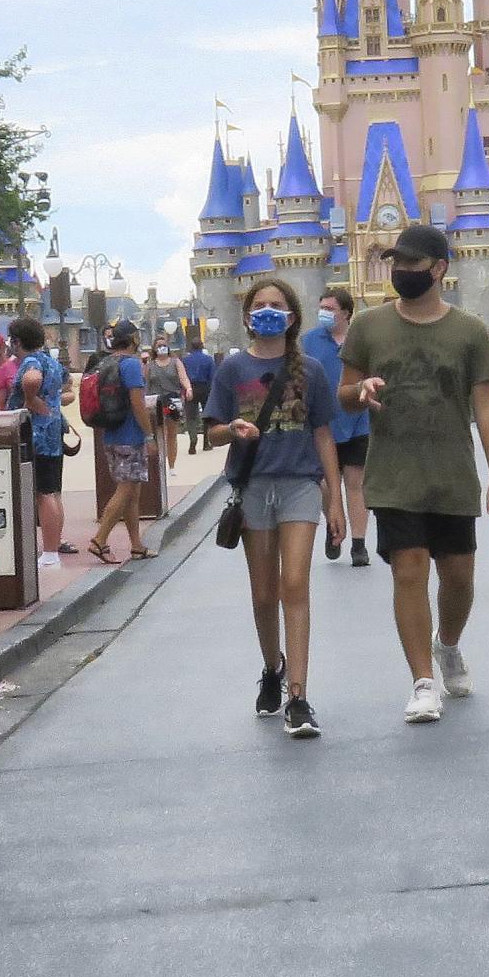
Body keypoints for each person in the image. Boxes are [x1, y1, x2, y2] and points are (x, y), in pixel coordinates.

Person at [336, 225, 489, 724]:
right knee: (408, 569)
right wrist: (361, 389)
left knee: (458, 580)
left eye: (412, 265)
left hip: (452, 474)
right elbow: (343, 393)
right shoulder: (369, 327)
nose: (401, 273)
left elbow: (487, 405)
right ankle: (422, 681)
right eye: (397, 264)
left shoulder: (469, 331)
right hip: (394, 474)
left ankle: (448, 644)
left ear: (439, 269)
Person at [204, 279, 345, 739]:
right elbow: (212, 432)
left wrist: (335, 499)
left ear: (291, 316)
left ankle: (299, 698)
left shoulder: (311, 371)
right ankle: (272, 667)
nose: (268, 311)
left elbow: (324, 433)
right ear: (247, 316)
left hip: (300, 484)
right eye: (260, 305)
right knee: (264, 592)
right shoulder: (231, 369)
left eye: (277, 305)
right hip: (253, 486)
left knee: (294, 584)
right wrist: (234, 429)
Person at [308, 287, 371, 566]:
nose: (325, 313)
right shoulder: (309, 341)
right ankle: (334, 525)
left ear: (346, 312)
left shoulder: (361, 341)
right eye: (322, 307)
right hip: (323, 425)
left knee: (355, 485)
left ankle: (359, 544)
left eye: (330, 308)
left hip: (358, 421)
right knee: (325, 486)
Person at [87, 322, 156, 564]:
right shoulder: (130, 364)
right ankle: (100, 539)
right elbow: (138, 402)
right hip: (131, 436)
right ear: (132, 339)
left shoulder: (106, 362)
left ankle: (136, 545)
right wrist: (149, 435)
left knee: (132, 493)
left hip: (111, 434)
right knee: (126, 489)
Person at [6, 315, 71, 568]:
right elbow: (66, 386)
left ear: (18, 341)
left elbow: (31, 379)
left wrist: (30, 399)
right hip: (53, 433)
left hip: (36, 434)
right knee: (53, 491)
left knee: (43, 493)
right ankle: (54, 543)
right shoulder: (50, 361)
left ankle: (50, 553)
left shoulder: (31, 361)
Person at [145, 338, 189, 471]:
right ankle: (160, 463)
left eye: (164, 345)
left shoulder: (176, 362)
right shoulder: (150, 365)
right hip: (156, 400)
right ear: (154, 349)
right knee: (159, 433)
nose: (162, 348)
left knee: (172, 433)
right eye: (159, 346)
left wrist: (188, 388)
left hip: (172, 400)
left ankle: (172, 465)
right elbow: (145, 383)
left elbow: (183, 377)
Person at [182, 330, 215, 454]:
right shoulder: (208, 359)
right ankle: (207, 442)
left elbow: (182, 376)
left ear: (190, 347)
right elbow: (213, 376)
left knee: (191, 416)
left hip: (190, 388)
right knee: (207, 415)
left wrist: (184, 389)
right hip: (205, 387)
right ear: (202, 346)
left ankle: (193, 440)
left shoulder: (185, 360)